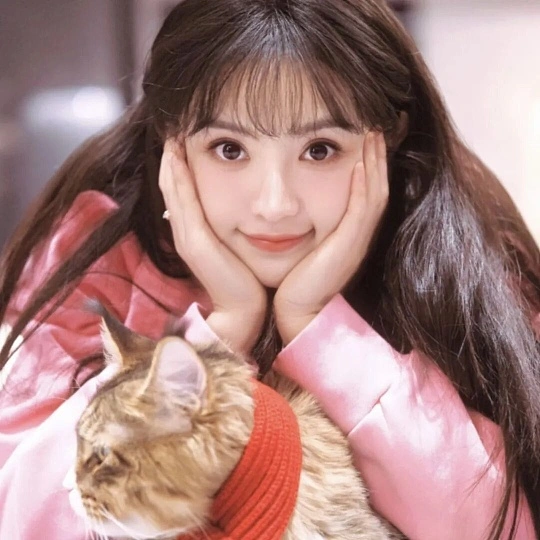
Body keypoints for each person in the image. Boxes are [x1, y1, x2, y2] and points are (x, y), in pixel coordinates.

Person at [0, 0, 538, 538]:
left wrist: (319, 328)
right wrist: (220, 333)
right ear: (171, 142)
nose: (275, 204)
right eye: (229, 149)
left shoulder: (462, 264)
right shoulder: (100, 256)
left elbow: (495, 528)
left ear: (389, 138)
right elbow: (19, 517)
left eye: (320, 149)